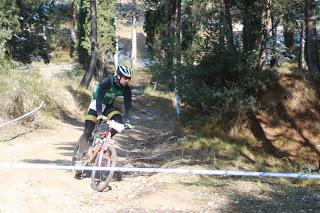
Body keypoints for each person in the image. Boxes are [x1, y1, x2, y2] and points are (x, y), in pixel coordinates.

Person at [76, 64, 133, 163]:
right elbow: (99, 99)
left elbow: (128, 106)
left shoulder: (126, 88)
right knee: (88, 130)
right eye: (125, 78)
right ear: (118, 76)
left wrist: (128, 120)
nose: (127, 80)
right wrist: (99, 113)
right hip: (96, 105)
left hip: (108, 106)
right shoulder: (107, 81)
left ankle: (102, 140)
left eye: (129, 78)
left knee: (119, 122)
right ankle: (80, 157)